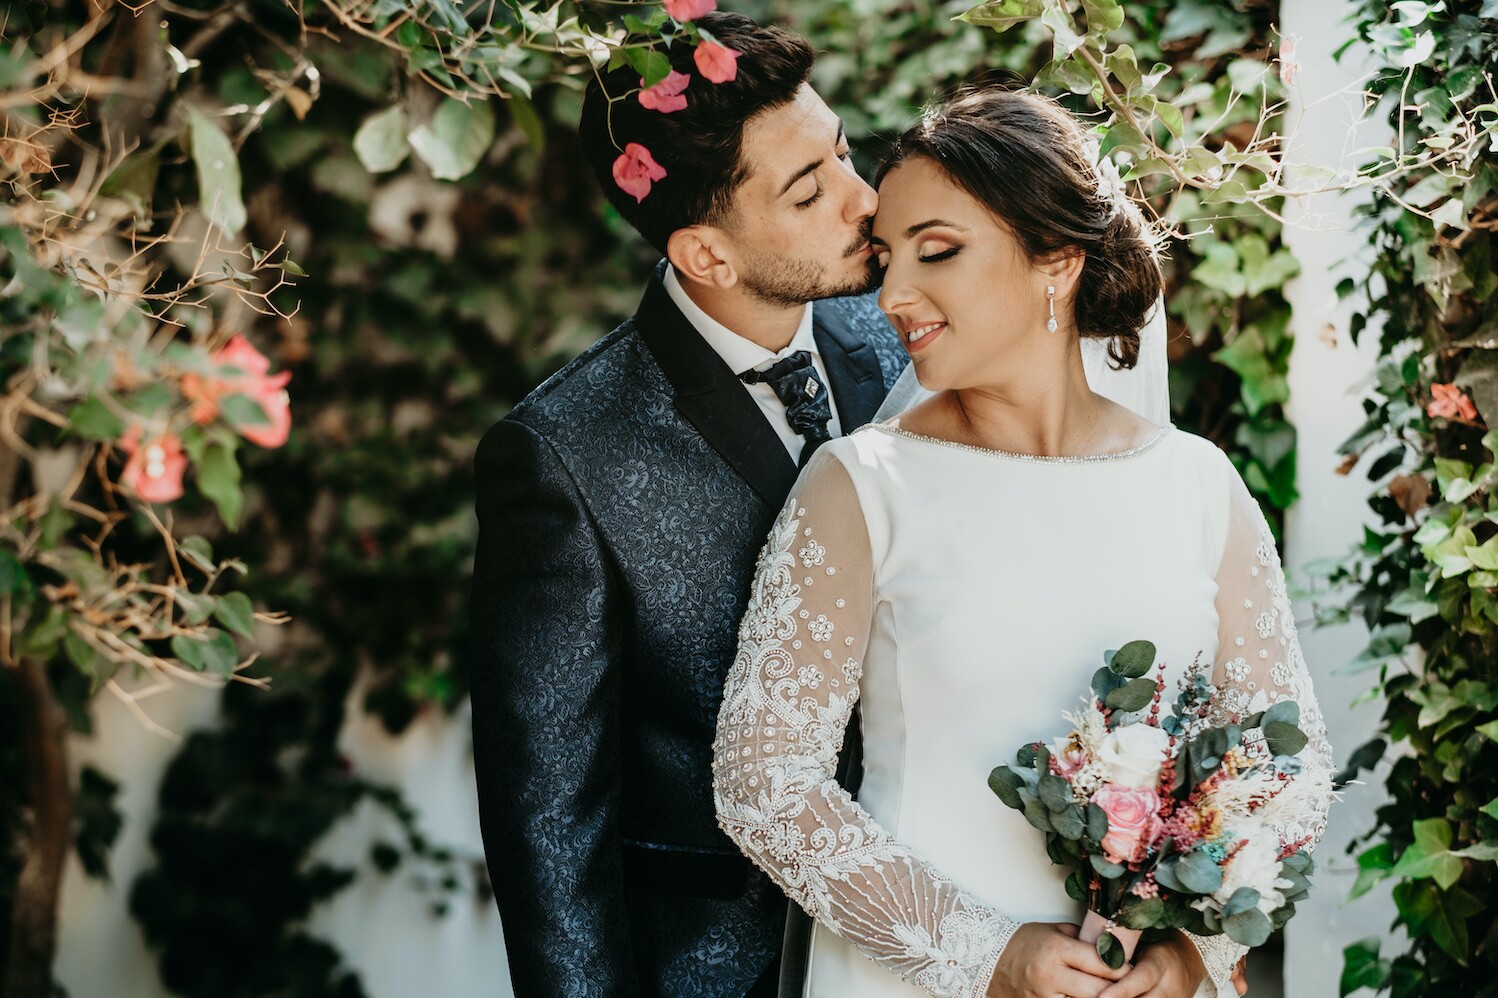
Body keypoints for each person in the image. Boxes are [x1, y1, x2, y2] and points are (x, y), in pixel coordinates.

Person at [712, 87, 1334, 998]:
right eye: (886, 258)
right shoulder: (862, 487)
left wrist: (1194, 949)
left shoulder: (1198, 484)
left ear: (1057, 262)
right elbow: (764, 784)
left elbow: (1291, 766)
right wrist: (985, 954)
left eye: (938, 252)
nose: (892, 294)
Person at [469, 12, 908, 996]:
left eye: (842, 154)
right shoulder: (559, 458)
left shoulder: (907, 344)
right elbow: (550, 833)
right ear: (706, 254)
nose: (864, 199)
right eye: (811, 190)